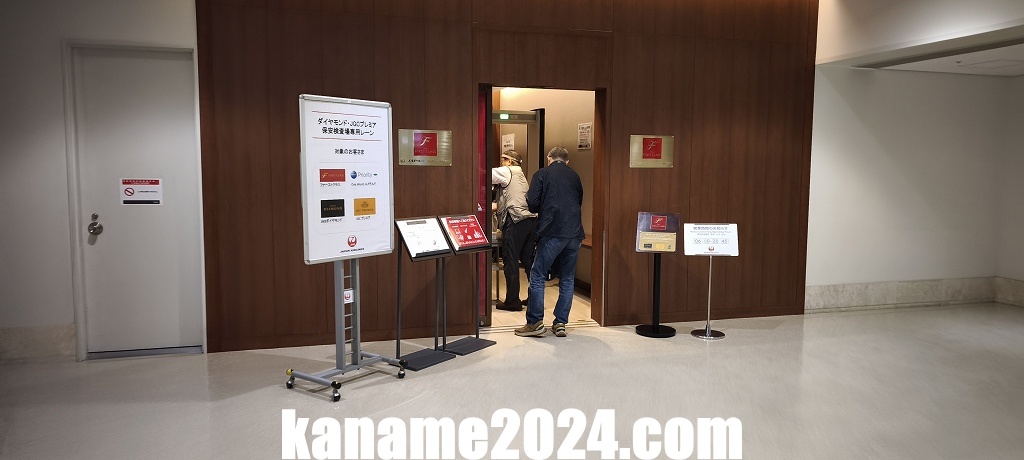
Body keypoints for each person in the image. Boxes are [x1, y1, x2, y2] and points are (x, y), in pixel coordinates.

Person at [515, 146, 584, 338]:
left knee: (538, 275)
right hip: (575, 233)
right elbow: (579, 201)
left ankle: (535, 322)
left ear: (549, 158)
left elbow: (532, 203)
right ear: (567, 161)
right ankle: (560, 323)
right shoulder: (575, 176)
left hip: (552, 231)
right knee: (567, 278)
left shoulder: (542, 174)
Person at [491, 150, 538, 311]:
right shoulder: (520, 175)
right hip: (530, 220)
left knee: (510, 259)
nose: (501, 163)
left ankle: (512, 301)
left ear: (510, 161)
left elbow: (483, 174)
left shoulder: (507, 171)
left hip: (516, 219)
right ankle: (535, 297)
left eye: (502, 160)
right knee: (527, 259)